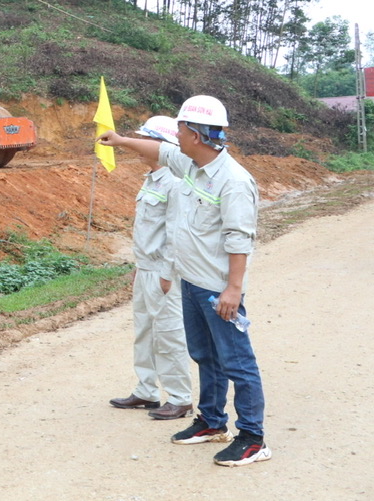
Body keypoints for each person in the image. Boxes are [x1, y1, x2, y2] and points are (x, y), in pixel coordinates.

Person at [98, 95, 271, 467]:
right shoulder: (191, 165)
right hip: (191, 282)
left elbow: (240, 239)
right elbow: (160, 151)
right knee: (205, 356)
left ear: (194, 134)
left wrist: (233, 289)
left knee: (237, 363)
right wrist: (122, 140)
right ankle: (211, 421)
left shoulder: (233, 181)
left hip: (217, 289)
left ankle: (252, 438)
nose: (174, 136)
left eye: (179, 129)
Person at [108, 115, 192, 421]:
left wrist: (167, 272)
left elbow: (175, 233)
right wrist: (139, 266)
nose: (138, 144)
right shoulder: (152, 178)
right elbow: (148, 230)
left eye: (145, 139)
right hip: (146, 268)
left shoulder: (175, 181)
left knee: (168, 333)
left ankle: (180, 398)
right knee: (144, 331)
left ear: (161, 144)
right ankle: (146, 390)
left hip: (162, 272)